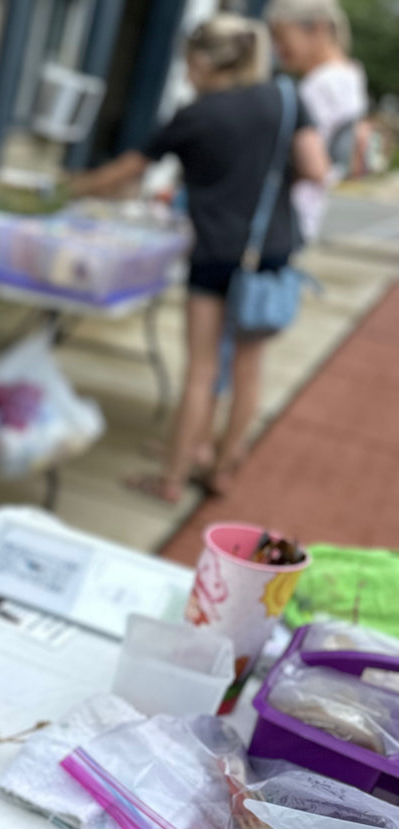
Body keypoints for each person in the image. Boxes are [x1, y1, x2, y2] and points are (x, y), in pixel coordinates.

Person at [70, 15, 329, 503]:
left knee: (202, 371)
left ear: (206, 62)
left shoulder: (197, 115)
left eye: (189, 63)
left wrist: (72, 188)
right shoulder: (286, 100)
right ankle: (222, 467)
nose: (187, 74)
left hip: (214, 254)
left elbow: (126, 172)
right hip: (270, 250)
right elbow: (315, 168)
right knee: (250, 368)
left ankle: (171, 477)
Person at [268, 0, 370, 243]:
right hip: (309, 213)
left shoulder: (321, 86)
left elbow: (309, 163)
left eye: (282, 36)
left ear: (318, 28)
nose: (277, 48)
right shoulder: (351, 75)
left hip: (285, 213)